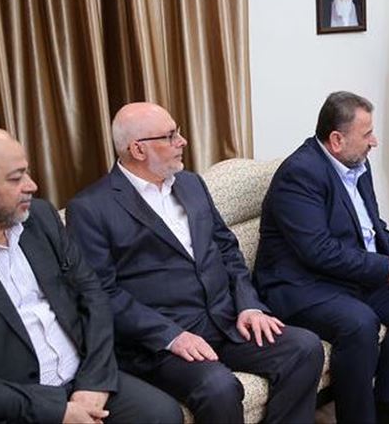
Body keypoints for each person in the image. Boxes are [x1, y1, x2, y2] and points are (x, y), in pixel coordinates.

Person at [65, 102, 324, 424]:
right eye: (170, 136)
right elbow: (102, 293)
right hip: (161, 342)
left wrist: (249, 305)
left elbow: (227, 248)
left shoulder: (190, 184)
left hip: (225, 320)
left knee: (304, 348)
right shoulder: (90, 208)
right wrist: (172, 336)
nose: (182, 141)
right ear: (138, 149)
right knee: (219, 387)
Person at [0, 125, 181, 424]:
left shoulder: (40, 218)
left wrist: (94, 382)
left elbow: (92, 294)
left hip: (81, 381)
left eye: (26, 172)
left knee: (162, 414)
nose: (32, 185)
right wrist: (57, 411)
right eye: (15, 178)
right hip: (11, 406)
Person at [253, 91, 389, 424]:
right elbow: (318, 251)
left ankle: (388, 408)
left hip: (346, 276)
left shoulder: (356, 164)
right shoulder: (300, 174)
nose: (374, 142)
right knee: (359, 322)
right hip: (300, 286)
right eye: (367, 134)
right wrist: (385, 268)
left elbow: (373, 226)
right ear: (337, 140)